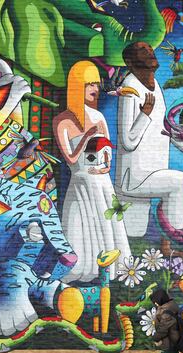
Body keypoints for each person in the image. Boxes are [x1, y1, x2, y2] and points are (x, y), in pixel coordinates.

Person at [115, 41, 183, 257]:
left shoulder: (155, 86)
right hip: (135, 178)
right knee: (179, 182)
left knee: (134, 236)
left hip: (153, 172)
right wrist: (145, 114)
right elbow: (127, 141)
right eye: (143, 51)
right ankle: (173, 242)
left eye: (150, 49)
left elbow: (165, 129)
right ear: (130, 62)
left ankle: (165, 248)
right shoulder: (129, 90)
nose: (150, 52)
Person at [53, 60, 131, 283]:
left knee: (107, 223)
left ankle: (113, 269)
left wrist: (105, 166)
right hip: (80, 182)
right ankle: (82, 268)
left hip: (101, 182)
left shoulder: (98, 117)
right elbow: (70, 159)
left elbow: (107, 149)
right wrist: (86, 137)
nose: (95, 89)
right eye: (89, 84)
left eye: (96, 84)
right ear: (78, 86)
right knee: (80, 226)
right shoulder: (63, 121)